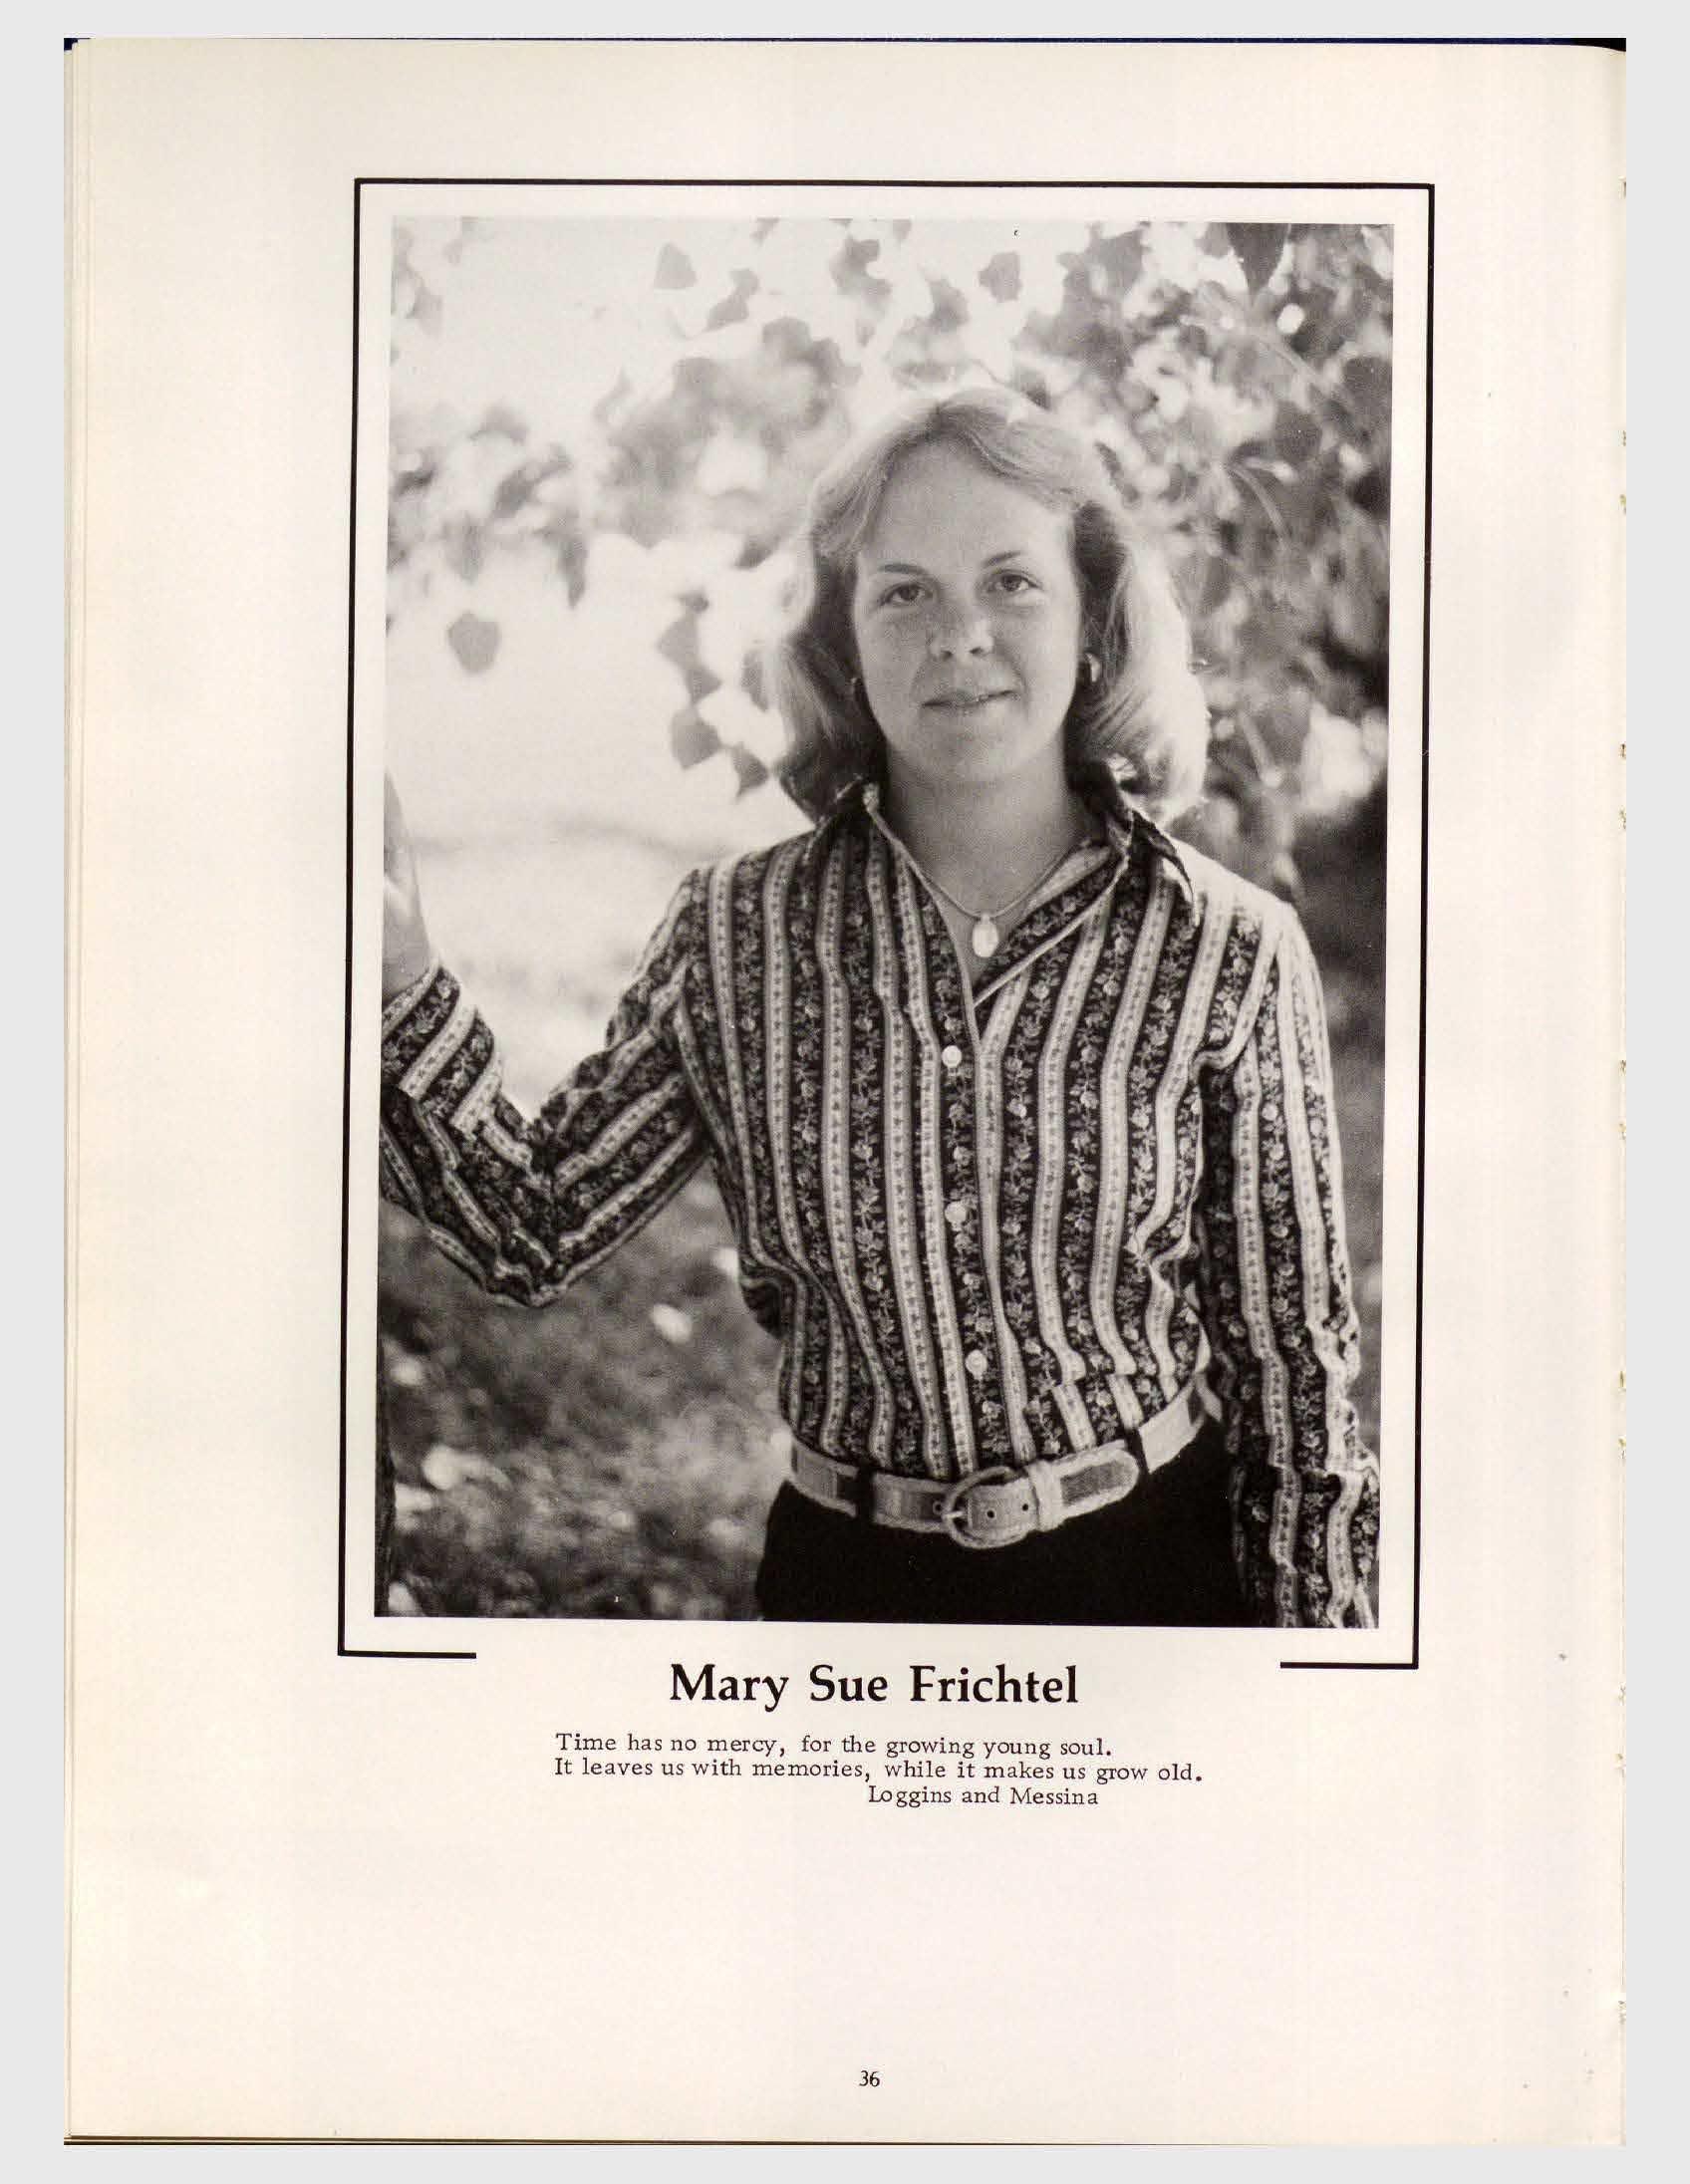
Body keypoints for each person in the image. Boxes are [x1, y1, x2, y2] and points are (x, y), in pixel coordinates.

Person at [381, 387, 1378, 1628]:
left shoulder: (1226, 945)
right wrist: (398, 973)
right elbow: (528, 1225)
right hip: (849, 1591)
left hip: (1152, 1583)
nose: (959, 633)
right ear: (842, 643)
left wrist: (1315, 1684)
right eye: (903, 591)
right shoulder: (737, 936)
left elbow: (1292, 1371)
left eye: (1012, 581)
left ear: (1093, 622)